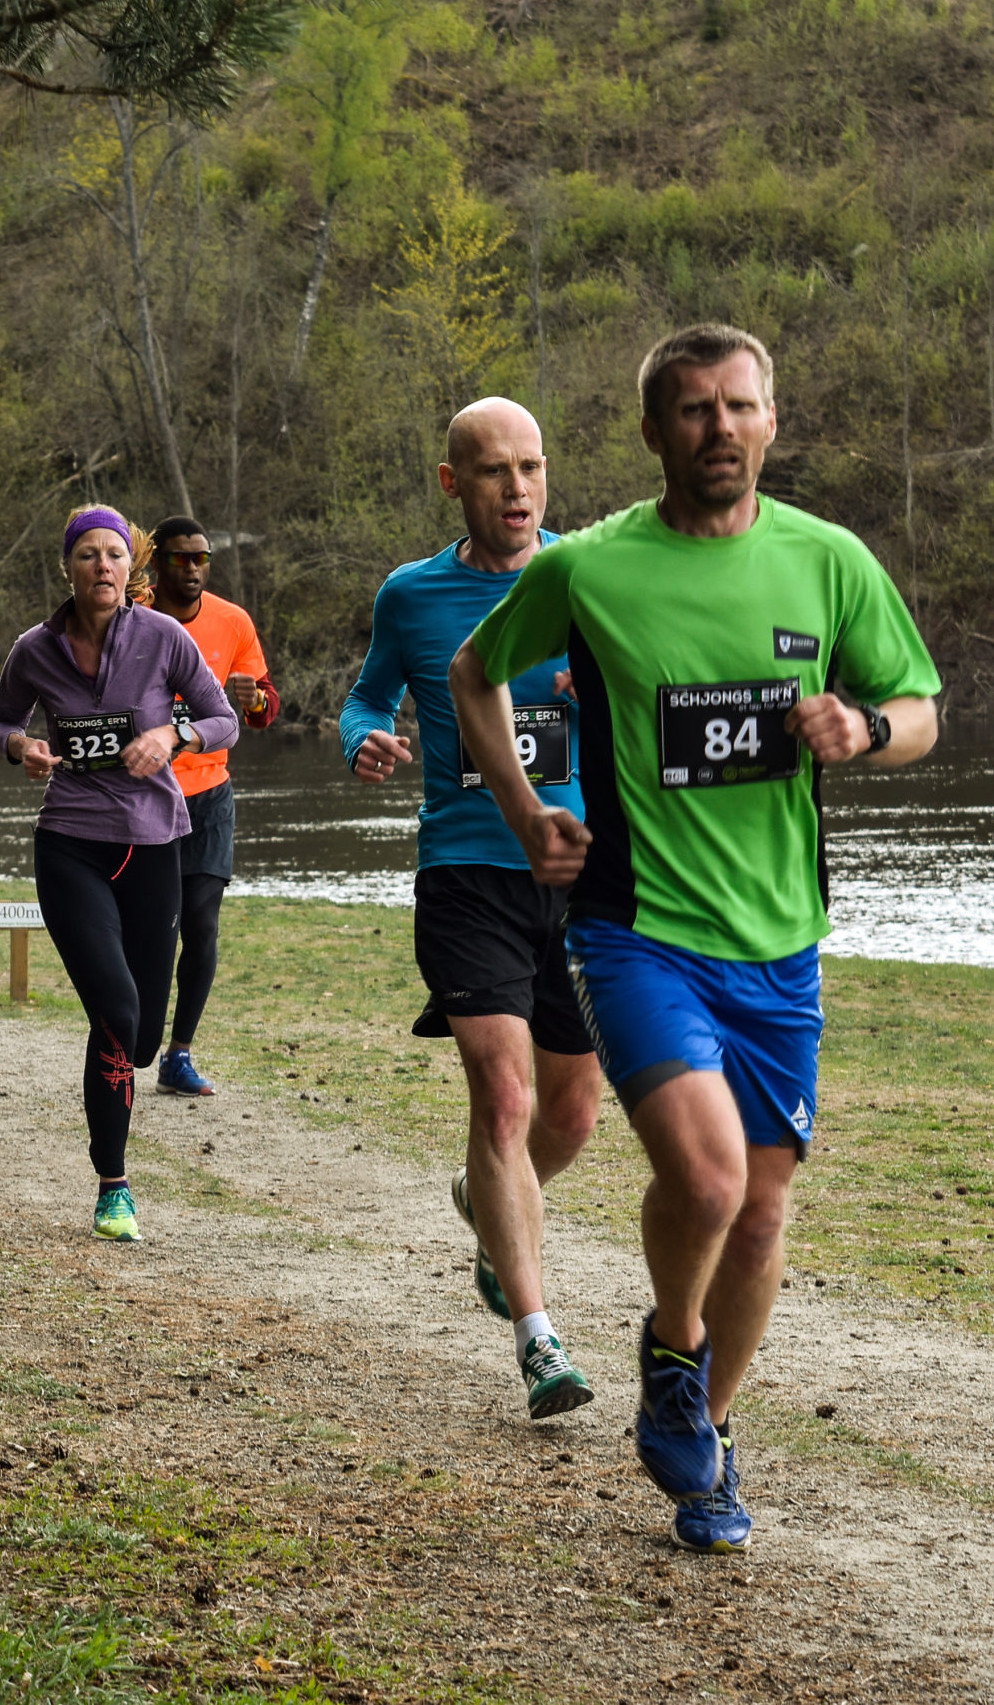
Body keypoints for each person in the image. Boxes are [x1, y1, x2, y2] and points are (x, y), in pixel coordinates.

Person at [450, 325, 942, 1551]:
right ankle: (674, 1337)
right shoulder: (595, 570)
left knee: (763, 1212)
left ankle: (703, 1434)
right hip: (636, 929)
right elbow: (473, 672)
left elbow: (921, 707)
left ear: (772, 419)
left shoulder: (827, 562)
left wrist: (864, 731)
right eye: (691, 410)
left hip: (780, 942)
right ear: (653, 430)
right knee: (710, 1175)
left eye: (739, 406)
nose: (718, 428)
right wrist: (526, 814)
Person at [341, 397, 604, 1420]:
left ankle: (490, 1209)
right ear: (454, 483)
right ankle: (538, 1339)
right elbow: (368, 696)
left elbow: (645, 689)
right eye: (494, 471)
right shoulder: (411, 595)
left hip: (580, 877)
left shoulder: (586, 576)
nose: (519, 489)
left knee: (572, 1109)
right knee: (500, 1099)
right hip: (464, 875)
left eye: (532, 467)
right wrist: (360, 739)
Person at [0, 505, 238, 1241]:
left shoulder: (163, 638)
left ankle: (123, 1110)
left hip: (154, 844)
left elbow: (221, 719)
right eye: (88, 555)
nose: (102, 566)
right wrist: (21, 749)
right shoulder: (34, 649)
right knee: (116, 1011)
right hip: (70, 843)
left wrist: (171, 733)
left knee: (145, 1036)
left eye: (114, 556)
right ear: (68, 567)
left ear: (134, 569)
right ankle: (114, 1183)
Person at [138, 516, 280, 1095]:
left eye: (202, 558)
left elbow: (268, 710)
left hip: (210, 796)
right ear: (157, 565)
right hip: (143, 795)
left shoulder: (233, 621)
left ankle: (179, 1052)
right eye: (180, 559)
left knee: (201, 925)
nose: (193, 569)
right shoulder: (133, 615)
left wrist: (254, 701)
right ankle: (132, 1038)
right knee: (150, 931)